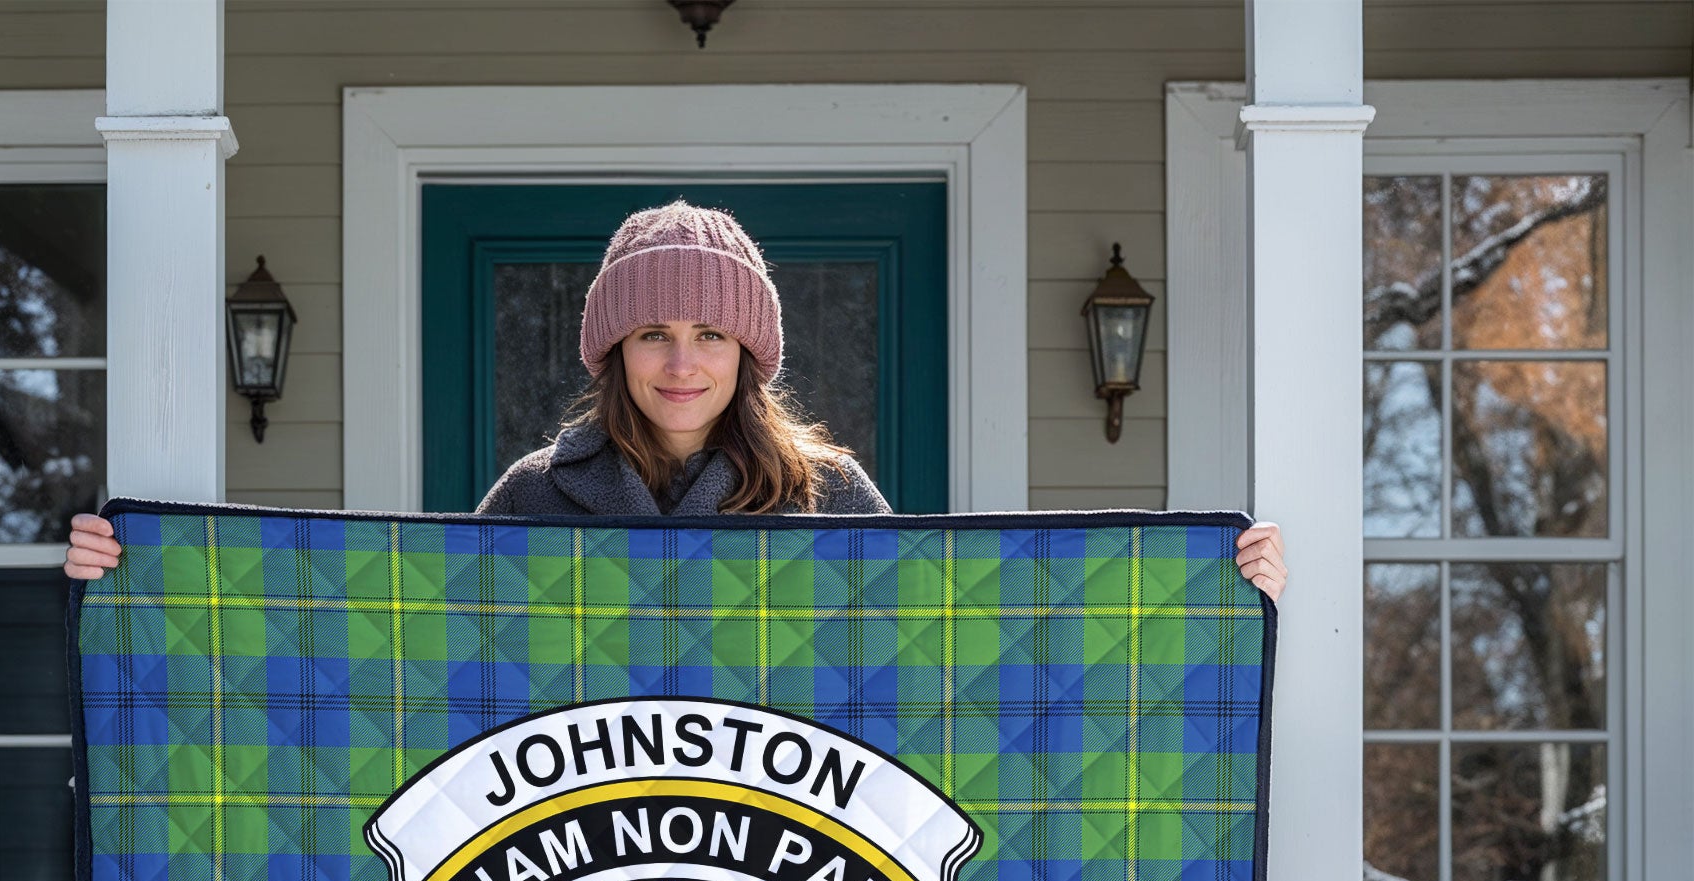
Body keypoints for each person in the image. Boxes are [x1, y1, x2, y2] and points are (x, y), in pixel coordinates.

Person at [65, 199, 1286, 594]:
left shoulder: (828, 495)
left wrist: (1207, 589)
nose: (680, 360)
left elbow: (956, 652)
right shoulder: (535, 497)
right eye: (651, 331)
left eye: (708, 333)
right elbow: (390, 628)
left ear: (749, 355)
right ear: (612, 351)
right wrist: (146, 573)